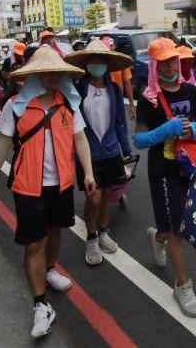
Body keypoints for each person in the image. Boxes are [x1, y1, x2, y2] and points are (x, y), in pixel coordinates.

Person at [0, 46, 96, 339]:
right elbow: (1, 145)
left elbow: (80, 139)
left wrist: (89, 173)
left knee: (56, 232)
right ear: (34, 74)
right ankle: (41, 305)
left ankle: (48, 269)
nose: (51, 77)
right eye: (45, 72)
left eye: (55, 72)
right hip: (27, 186)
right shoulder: (15, 107)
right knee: (34, 243)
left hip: (61, 184)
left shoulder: (68, 104)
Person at [133, 37, 196, 317]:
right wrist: (165, 130)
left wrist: (191, 129)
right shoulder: (148, 99)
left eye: (172, 60)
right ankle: (183, 285)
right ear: (154, 65)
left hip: (188, 166)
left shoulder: (191, 90)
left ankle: (157, 238)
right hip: (162, 170)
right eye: (162, 62)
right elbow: (138, 140)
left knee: (178, 225)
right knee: (178, 227)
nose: (169, 66)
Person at [67, 39, 135, 265]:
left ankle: (103, 231)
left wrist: (125, 149)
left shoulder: (114, 90)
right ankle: (91, 237)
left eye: (101, 61)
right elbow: (71, 125)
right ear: (87, 64)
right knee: (93, 197)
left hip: (111, 151)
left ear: (107, 63)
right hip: (87, 153)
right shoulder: (77, 89)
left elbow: (119, 122)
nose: (97, 64)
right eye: (93, 60)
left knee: (107, 195)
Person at [103, 37, 137, 120]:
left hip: (118, 101)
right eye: (106, 44)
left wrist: (131, 105)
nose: (111, 47)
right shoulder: (96, 63)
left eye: (112, 44)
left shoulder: (121, 62)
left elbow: (127, 82)